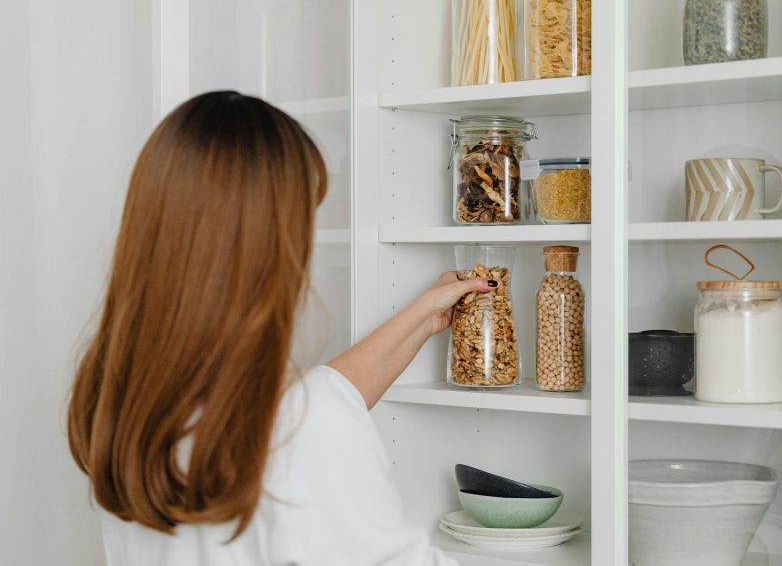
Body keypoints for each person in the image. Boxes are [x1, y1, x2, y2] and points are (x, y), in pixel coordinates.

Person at [67, 91, 497, 566]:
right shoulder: (306, 428)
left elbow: (310, 402)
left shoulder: (126, 402)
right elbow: (305, 421)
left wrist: (422, 316)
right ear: (265, 246)